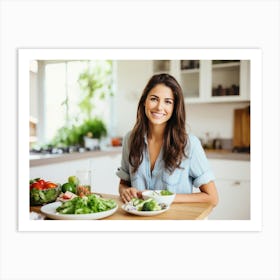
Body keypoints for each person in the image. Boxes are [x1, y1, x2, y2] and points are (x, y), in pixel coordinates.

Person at [116, 73, 218, 206]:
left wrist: (162, 198)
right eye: (154, 99)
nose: (159, 107)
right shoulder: (130, 140)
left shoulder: (189, 144)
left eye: (168, 102)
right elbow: (124, 184)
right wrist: (125, 191)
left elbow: (212, 197)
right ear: (144, 102)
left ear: (174, 108)